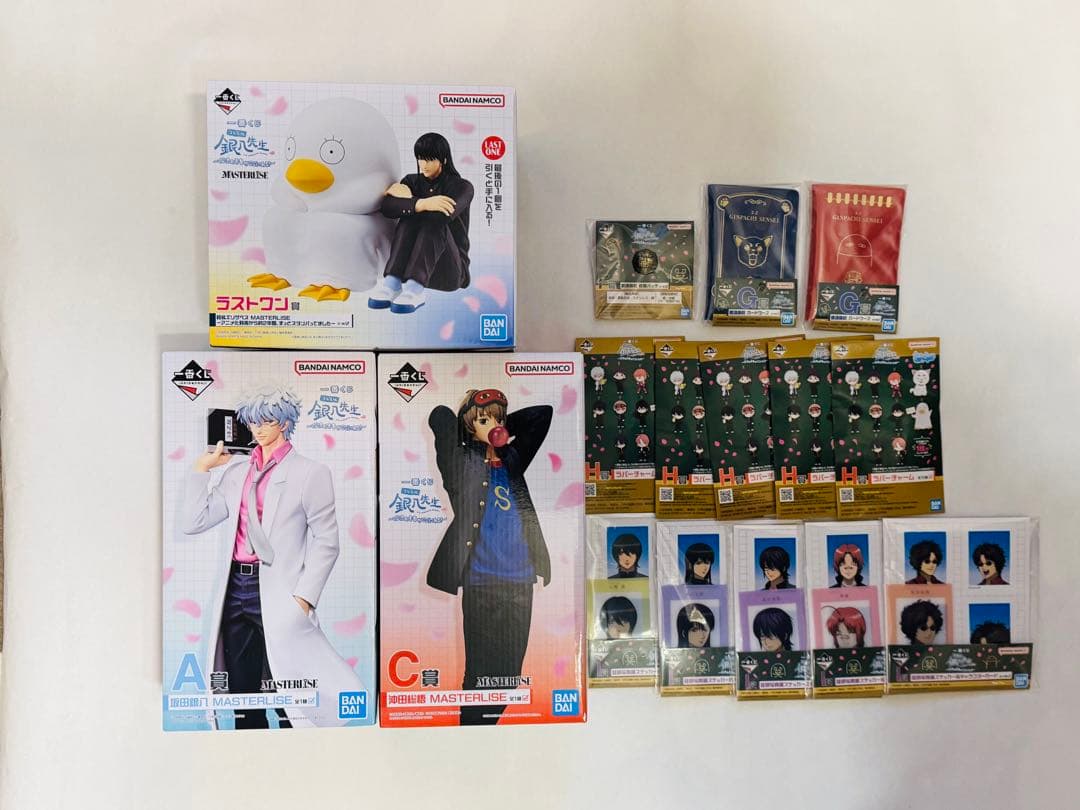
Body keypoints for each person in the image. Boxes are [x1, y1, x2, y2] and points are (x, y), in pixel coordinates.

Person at [182, 386, 363, 729]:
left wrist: (304, 599)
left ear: (285, 422)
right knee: (243, 696)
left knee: (290, 695)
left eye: (267, 420)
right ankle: (250, 752)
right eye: (253, 421)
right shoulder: (236, 473)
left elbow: (327, 541)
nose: (259, 429)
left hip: (281, 591)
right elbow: (194, 522)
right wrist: (202, 469)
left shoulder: (310, 472)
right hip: (236, 588)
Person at [426, 388, 553, 725]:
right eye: (485, 420)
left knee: (509, 676)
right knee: (480, 674)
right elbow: (439, 416)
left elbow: (542, 414)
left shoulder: (513, 459)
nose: (493, 425)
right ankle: (471, 731)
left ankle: (486, 731)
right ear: (469, 427)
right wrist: (474, 423)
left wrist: (501, 427)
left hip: (520, 581)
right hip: (481, 583)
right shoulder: (460, 464)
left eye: (499, 419)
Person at [366, 132, 474, 313]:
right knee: (411, 216)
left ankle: (414, 290)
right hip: (408, 270)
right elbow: (387, 207)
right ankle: (392, 283)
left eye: (429, 160)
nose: (423, 165)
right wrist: (421, 203)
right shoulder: (411, 181)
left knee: (430, 220)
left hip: (448, 271)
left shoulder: (462, 187)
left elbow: (441, 217)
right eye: (420, 159)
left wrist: (410, 201)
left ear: (443, 159)